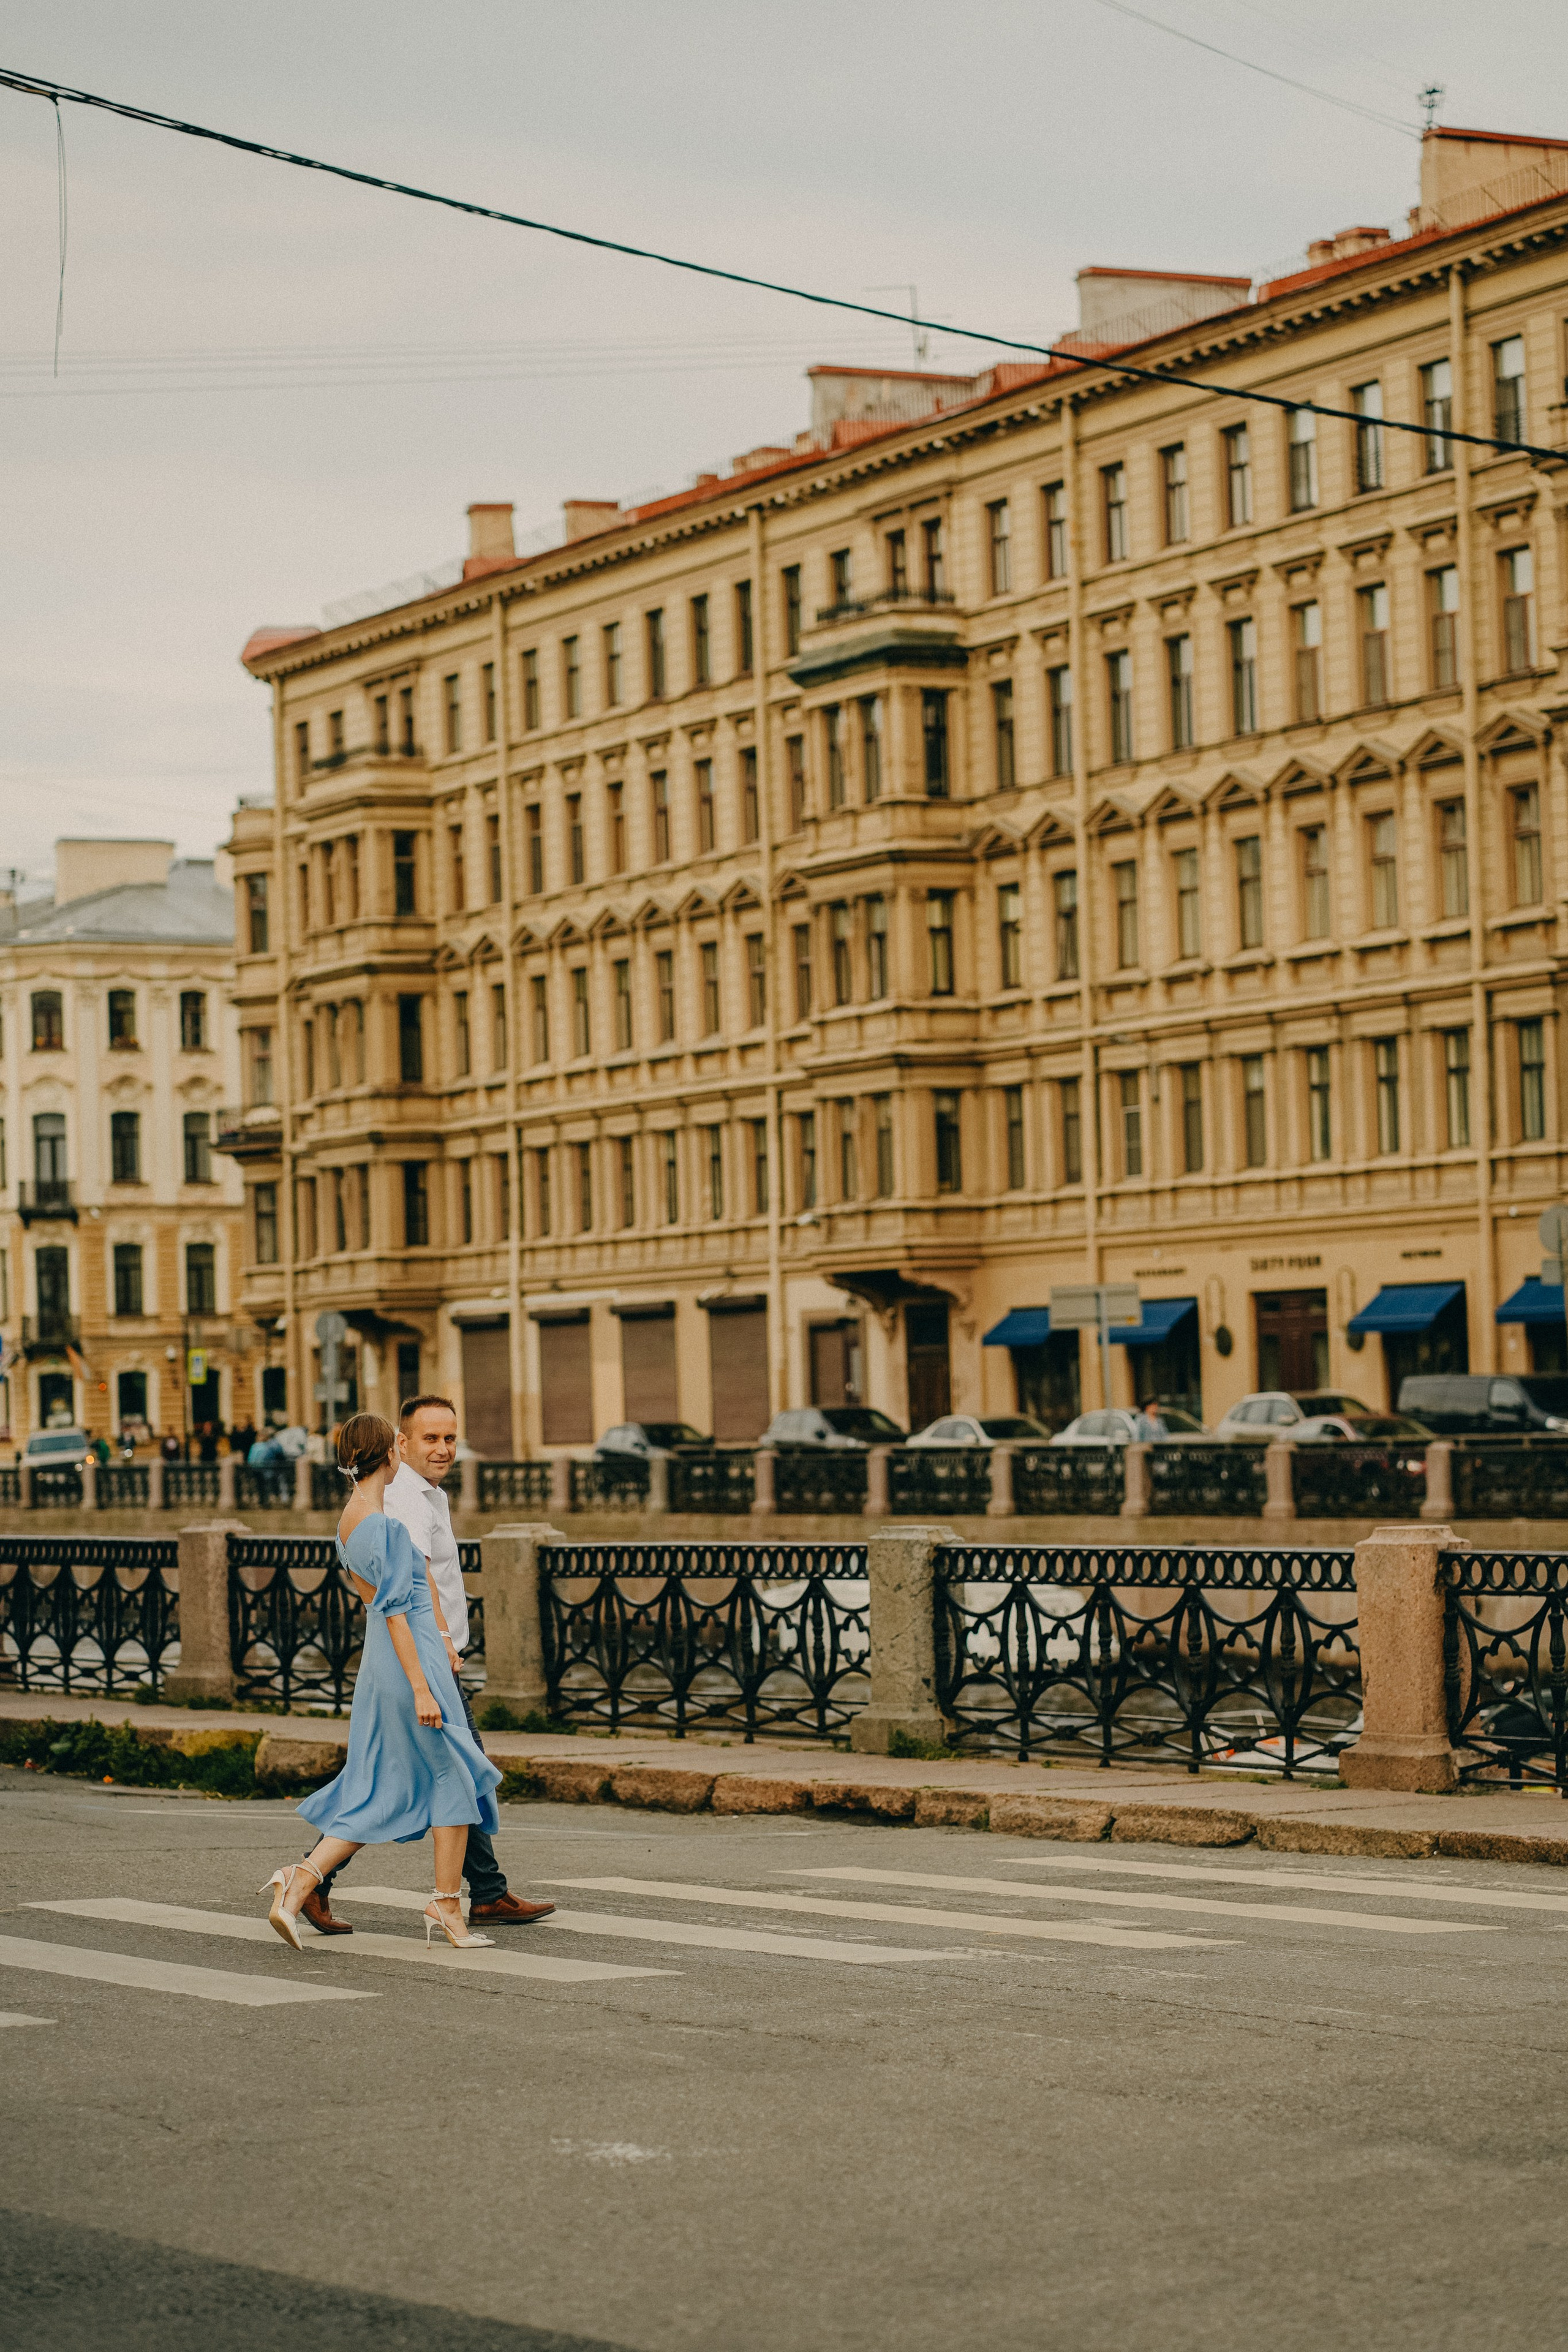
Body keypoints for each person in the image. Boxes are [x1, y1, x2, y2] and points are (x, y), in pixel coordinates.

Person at [296, 1392, 554, 1936]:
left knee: (436, 1773)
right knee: (445, 1772)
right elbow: (415, 1586)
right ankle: (315, 1877)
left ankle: (484, 1890)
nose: (443, 1449)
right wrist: (440, 1649)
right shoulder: (403, 1503)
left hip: (423, 1657)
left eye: (450, 1438)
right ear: (400, 1444)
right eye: (430, 1438)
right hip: (424, 1659)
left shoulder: (419, 1496)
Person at [260, 1413, 503, 1953]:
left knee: (387, 1787)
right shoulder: (385, 1526)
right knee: (453, 1780)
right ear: (389, 1454)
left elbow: (378, 1603)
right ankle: (445, 1906)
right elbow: (396, 1613)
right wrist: (422, 1687)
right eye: (399, 1445)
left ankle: (302, 1879)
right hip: (411, 1661)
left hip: (384, 1664)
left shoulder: (350, 1521)